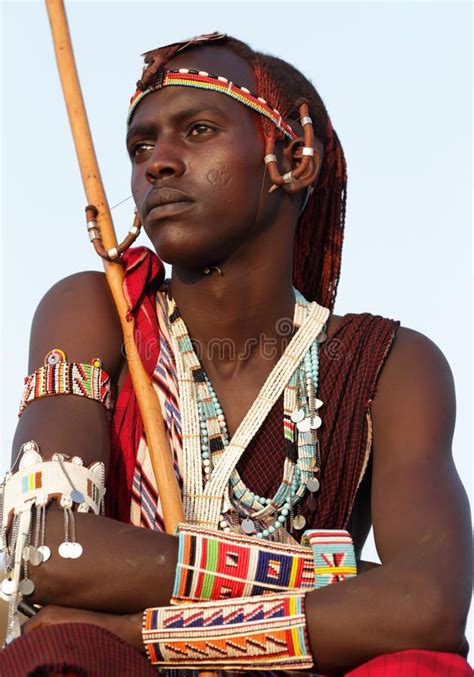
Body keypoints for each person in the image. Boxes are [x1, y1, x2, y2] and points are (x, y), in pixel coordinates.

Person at [0, 34, 471, 676]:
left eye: (196, 130)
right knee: (60, 657)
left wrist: (144, 631)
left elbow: (429, 608)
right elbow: (42, 546)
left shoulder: (391, 367)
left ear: (294, 161)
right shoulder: (96, 313)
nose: (157, 164)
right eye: (141, 146)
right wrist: (339, 583)